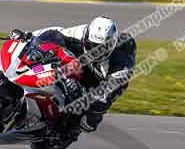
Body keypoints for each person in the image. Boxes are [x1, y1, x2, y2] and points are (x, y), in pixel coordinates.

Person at [8, 16, 136, 135]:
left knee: (88, 122)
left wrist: (90, 102)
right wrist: (27, 37)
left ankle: (64, 127)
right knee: (40, 55)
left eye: (101, 48)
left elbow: (106, 95)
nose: (95, 51)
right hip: (75, 62)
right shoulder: (78, 33)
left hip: (99, 80)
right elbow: (52, 33)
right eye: (92, 45)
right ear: (86, 37)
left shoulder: (120, 64)